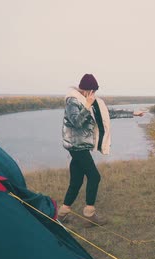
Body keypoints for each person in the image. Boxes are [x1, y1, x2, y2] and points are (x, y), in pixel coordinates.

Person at [58, 74, 144, 226]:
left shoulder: (92, 101)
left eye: (95, 92)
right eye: (92, 91)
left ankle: (62, 214)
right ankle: (89, 216)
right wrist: (87, 105)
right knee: (94, 177)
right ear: (85, 90)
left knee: (76, 181)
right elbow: (76, 122)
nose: (94, 95)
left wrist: (132, 113)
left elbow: (108, 114)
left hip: (83, 146)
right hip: (76, 146)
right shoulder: (73, 101)